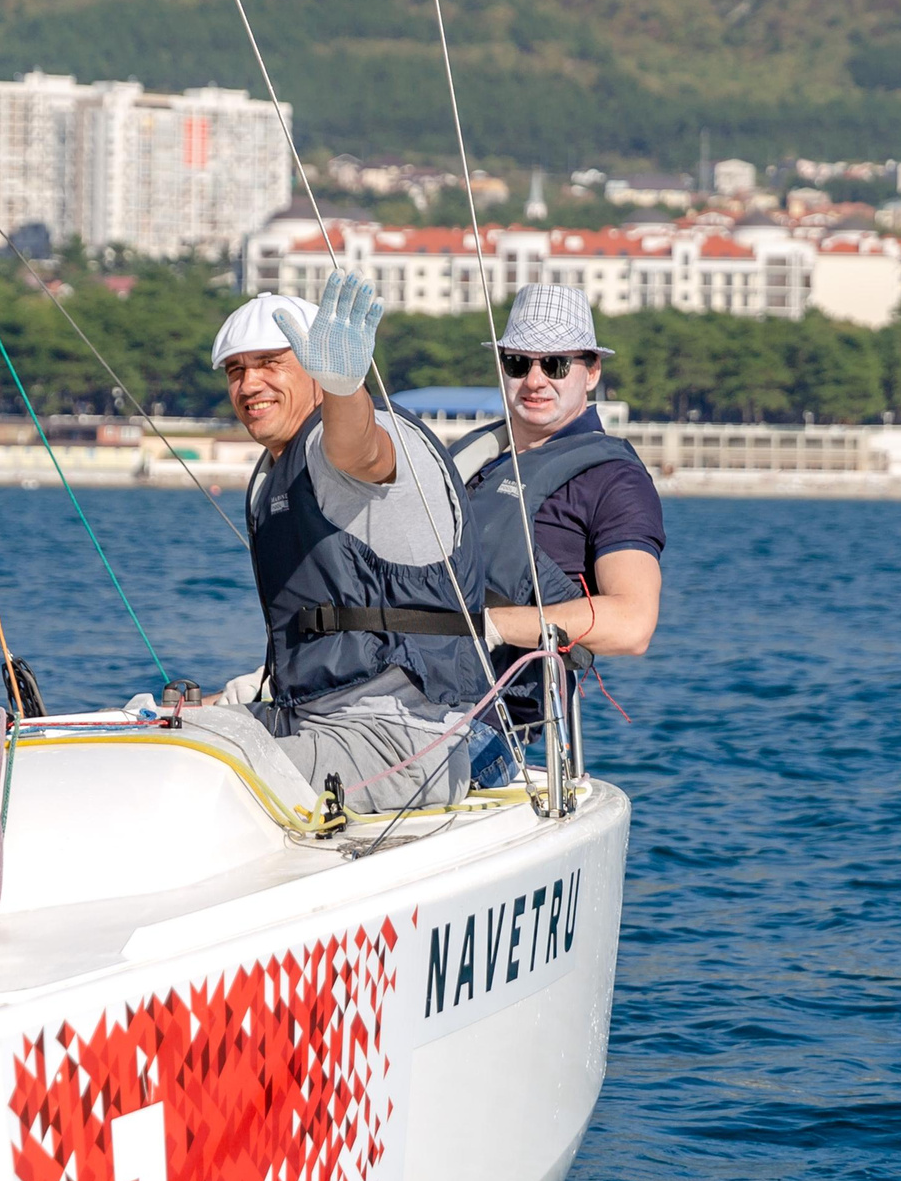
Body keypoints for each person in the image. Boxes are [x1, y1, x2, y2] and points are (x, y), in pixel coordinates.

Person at [205, 270, 507, 813]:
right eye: (236, 371)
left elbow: (362, 452)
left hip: (404, 742)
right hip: (316, 719)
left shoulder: (332, 441)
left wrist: (346, 387)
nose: (249, 385)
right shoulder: (273, 472)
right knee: (158, 732)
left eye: (272, 364)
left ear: (317, 370)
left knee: (202, 783)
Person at [451, 285, 665, 670]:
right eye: (517, 363)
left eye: (555, 364)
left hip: (499, 711)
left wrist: (492, 626)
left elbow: (633, 623)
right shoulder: (477, 460)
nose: (534, 380)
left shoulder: (615, 482)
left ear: (592, 371)